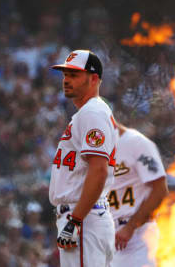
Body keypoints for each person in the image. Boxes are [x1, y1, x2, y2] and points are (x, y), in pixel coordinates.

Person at [49, 50, 119, 267]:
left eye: (74, 74)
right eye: (65, 74)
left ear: (94, 79)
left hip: (83, 218)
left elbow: (99, 170)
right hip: (87, 217)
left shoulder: (93, 113)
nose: (67, 80)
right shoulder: (88, 113)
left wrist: (76, 220)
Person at [109, 122, 168, 267]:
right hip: (106, 236)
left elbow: (160, 191)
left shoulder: (137, 143)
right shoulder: (92, 151)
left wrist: (130, 227)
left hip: (137, 236)